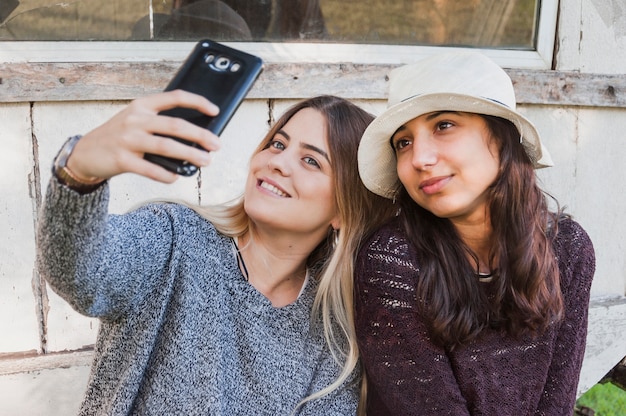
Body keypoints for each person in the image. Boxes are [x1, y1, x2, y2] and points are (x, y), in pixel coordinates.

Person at [36, 92, 396, 415]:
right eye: (278, 144)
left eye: (311, 161)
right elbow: (82, 272)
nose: (279, 162)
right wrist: (79, 171)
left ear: (344, 211)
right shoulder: (174, 238)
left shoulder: (333, 338)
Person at [354, 51, 596, 415]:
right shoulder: (392, 260)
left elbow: (557, 400)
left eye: (444, 126)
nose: (419, 158)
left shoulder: (568, 249)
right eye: (403, 142)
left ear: (501, 139)